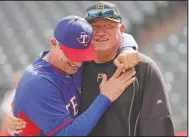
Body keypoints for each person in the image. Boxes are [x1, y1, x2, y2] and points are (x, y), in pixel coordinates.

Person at [9, 15, 137, 136]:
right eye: (73, 54)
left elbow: (120, 36)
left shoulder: (68, 61)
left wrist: (128, 49)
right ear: (54, 43)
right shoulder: (38, 83)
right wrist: (106, 96)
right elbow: (69, 134)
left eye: (82, 55)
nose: (78, 63)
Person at [78, 1, 175, 136]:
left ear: (121, 29)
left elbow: (158, 126)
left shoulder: (144, 67)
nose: (100, 33)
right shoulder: (74, 67)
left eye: (108, 26)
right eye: (94, 27)